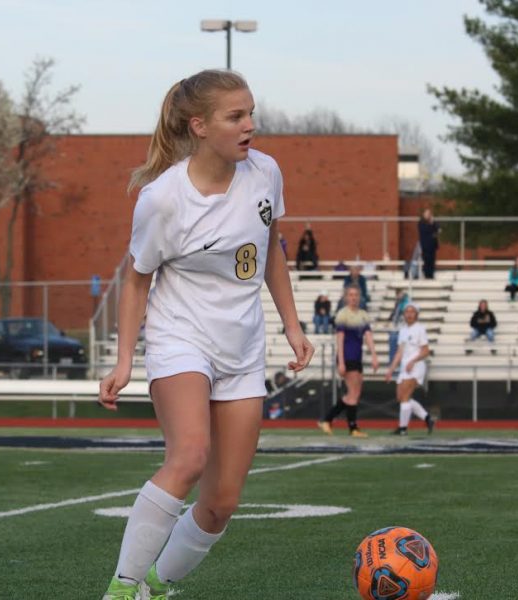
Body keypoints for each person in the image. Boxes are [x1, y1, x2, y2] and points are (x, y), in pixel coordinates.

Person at [97, 70, 313, 600]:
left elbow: (272, 253)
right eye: (235, 116)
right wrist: (125, 361)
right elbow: (135, 281)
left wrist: (292, 323)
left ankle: (156, 585)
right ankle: (121, 589)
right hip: (180, 340)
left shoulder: (266, 173)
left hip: (243, 349)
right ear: (199, 125)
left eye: (251, 113)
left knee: (221, 503)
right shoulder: (162, 199)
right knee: (189, 456)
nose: (250, 126)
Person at [318, 285, 377, 437]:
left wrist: (374, 356)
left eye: (356, 295)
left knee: (355, 393)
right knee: (353, 392)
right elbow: (340, 339)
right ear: (346, 297)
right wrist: (341, 362)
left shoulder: (363, 315)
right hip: (347, 357)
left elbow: (369, 336)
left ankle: (327, 419)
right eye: (350, 295)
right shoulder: (342, 315)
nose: (353, 298)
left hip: (357, 358)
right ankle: (352, 428)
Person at [385, 303, 435, 436]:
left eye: (412, 311)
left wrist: (413, 361)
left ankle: (403, 429)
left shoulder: (420, 329)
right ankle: (427, 418)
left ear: (416, 314)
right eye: (407, 311)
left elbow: (426, 351)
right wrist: (391, 369)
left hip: (416, 367)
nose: (409, 314)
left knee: (405, 397)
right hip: (404, 368)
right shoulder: (402, 330)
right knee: (401, 397)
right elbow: (399, 352)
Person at [387, 290, 410, 364]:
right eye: (397, 295)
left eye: (399, 295)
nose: (397, 297)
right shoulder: (398, 303)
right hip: (397, 327)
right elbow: (394, 314)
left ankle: (394, 363)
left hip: (402, 328)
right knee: (392, 339)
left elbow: (405, 316)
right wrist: (389, 321)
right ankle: (393, 363)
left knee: (395, 340)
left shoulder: (406, 303)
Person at [418, 208, 440, 279]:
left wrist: (433, 225)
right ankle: (427, 275)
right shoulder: (421, 222)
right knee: (426, 261)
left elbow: (438, 230)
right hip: (425, 246)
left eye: (429, 214)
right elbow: (426, 231)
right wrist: (432, 228)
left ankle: (431, 275)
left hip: (432, 246)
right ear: (424, 215)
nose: (428, 215)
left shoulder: (433, 222)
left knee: (432, 261)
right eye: (427, 214)